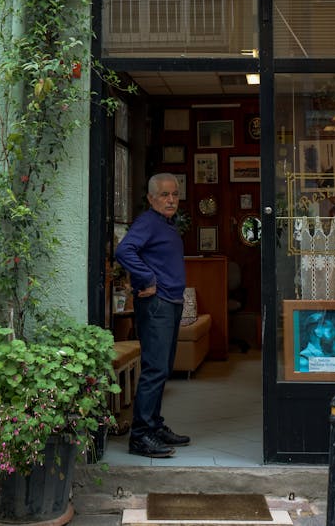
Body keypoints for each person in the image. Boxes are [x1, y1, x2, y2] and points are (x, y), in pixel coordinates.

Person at [115, 172, 190, 458]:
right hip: (157, 304)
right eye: (164, 195)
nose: (171, 199)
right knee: (154, 370)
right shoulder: (148, 222)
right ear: (151, 198)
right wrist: (147, 278)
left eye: (175, 194)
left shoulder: (166, 224)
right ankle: (141, 436)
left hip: (170, 302)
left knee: (163, 368)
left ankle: (154, 426)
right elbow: (125, 251)